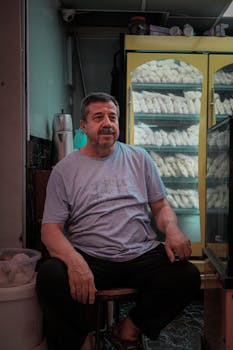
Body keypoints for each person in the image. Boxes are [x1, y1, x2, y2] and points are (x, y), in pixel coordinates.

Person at [36, 92, 201, 350]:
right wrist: (74, 260)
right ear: (83, 125)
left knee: (187, 275)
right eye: (98, 117)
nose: (107, 123)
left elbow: (160, 206)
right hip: (91, 257)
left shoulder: (139, 158)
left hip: (139, 252)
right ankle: (81, 340)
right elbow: (50, 230)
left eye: (112, 117)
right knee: (49, 276)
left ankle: (130, 328)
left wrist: (173, 230)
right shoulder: (64, 170)